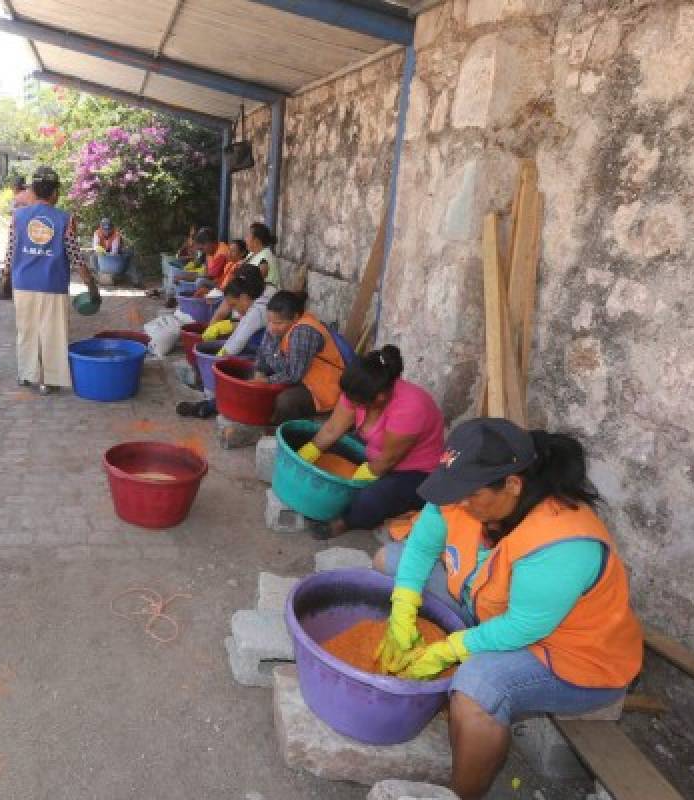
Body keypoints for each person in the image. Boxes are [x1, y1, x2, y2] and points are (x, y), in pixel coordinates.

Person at [372, 419, 642, 800]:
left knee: (477, 687)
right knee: (392, 560)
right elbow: (420, 549)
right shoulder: (461, 490)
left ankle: (462, 794)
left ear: (513, 485)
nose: (458, 503)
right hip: (487, 607)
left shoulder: (562, 544)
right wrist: (403, 609)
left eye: (469, 495)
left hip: (570, 657)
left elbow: (521, 628)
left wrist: (449, 650)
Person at [297, 345, 445, 540]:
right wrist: (304, 456)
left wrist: (349, 483)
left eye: (356, 402)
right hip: (373, 454)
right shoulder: (358, 390)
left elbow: (387, 461)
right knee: (318, 444)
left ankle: (347, 521)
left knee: (372, 498)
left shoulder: (410, 407)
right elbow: (332, 430)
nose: (350, 403)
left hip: (414, 472)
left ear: (380, 397)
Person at [2, 166, 100, 395]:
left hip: (23, 284)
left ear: (33, 191)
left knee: (26, 331)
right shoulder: (65, 219)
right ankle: (49, 380)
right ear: (55, 193)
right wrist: (91, 285)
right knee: (53, 333)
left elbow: (10, 250)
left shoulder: (18, 216)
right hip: (52, 285)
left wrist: (5, 277)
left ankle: (26, 375)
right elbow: (76, 256)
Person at [176, 268, 272, 419]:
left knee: (234, 377)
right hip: (260, 349)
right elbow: (241, 327)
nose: (234, 309)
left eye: (234, 305)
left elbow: (237, 342)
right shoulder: (261, 301)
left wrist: (217, 357)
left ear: (245, 297)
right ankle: (208, 393)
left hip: (263, 357)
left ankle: (210, 404)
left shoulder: (257, 311)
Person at [251, 289, 345, 424]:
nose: (272, 327)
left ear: (295, 318)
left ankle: (278, 431)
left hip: (321, 389)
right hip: (301, 378)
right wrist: (259, 373)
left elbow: (294, 374)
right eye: (270, 321)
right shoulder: (276, 324)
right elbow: (263, 350)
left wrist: (266, 381)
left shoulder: (303, 331)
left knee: (286, 401)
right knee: (254, 379)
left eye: (278, 323)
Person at [246, 222, 281, 288]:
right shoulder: (251, 254)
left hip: (264, 295)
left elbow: (255, 284)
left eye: (248, 236)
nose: (245, 239)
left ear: (256, 240)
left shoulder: (265, 258)